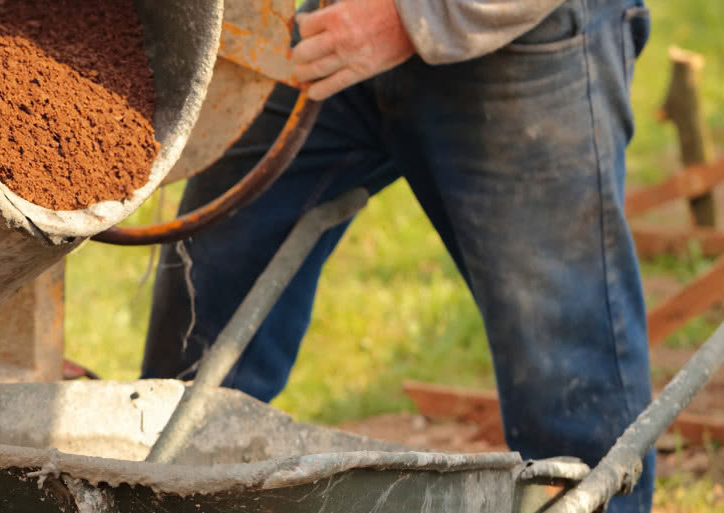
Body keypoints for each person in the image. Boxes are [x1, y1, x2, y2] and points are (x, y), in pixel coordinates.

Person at [140, 0, 655, 511]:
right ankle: (170, 496)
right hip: (332, 25)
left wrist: (415, 16)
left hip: (514, 38)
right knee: (206, 304)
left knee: (565, 372)